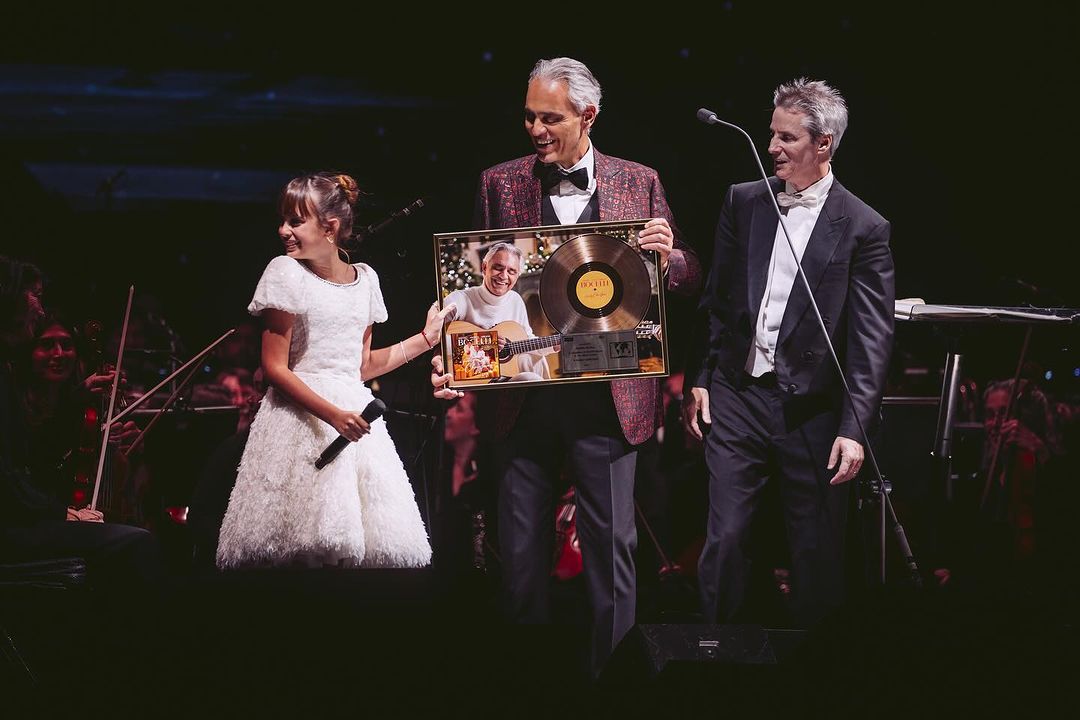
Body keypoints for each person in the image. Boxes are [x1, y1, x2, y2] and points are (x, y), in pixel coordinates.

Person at [432, 58, 701, 675]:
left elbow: (686, 275)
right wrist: (457, 356)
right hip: (522, 395)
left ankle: (615, 683)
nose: (535, 128)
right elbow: (472, 287)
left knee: (611, 553)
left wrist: (669, 260)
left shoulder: (640, 180)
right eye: (529, 115)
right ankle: (525, 684)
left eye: (549, 117)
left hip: (607, 397)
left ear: (588, 116)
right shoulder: (499, 182)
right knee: (520, 556)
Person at [683, 79, 895, 627]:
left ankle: (812, 676)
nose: (772, 146)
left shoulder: (864, 227)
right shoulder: (743, 201)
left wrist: (854, 427)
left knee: (814, 550)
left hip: (815, 410)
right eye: (771, 134)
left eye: (787, 138)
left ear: (823, 144)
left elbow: (871, 339)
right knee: (725, 537)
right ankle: (713, 656)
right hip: (739, 393)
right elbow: (718, 299)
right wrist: (702, 376)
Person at [216, 172, 451, 569]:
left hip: (353, 418)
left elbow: (360, 366)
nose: (283, 231)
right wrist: (334, 416)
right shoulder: (285, 272)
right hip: (299, 419)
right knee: (295, 546)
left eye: (295, 221)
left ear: (330, 228)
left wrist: (426, 340)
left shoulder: (367, 280)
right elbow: (274, 368)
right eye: (283, 220)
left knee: (358, 548)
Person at [1, 257, 162, 591]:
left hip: (21, 517)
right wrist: (62, 512)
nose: (41, 310)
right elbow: (12, 474)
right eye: (35, 295)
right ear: (11, 296)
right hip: (12, 526)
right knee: (138, 544)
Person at [443, 241, 551, 381]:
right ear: (484, 267)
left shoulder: (515, 300)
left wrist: (551, 346)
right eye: (498, 268)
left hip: (507, 376)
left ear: (517, 275)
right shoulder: (461, 298)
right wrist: (486, 343)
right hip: (475, 377)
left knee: (535, 359)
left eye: (511, 271)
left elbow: (526, 339)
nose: (504, 276)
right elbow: (436, 336)